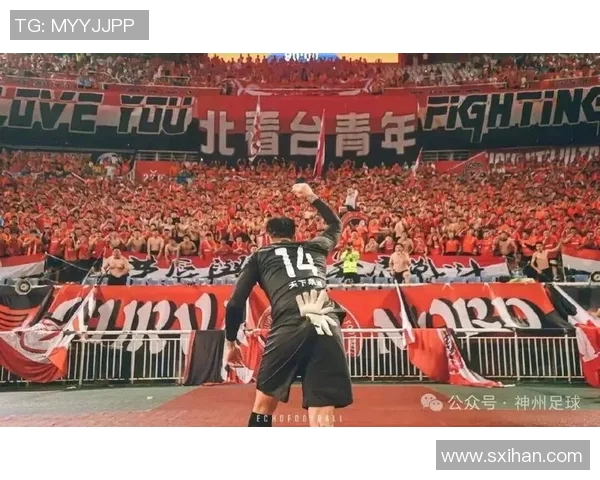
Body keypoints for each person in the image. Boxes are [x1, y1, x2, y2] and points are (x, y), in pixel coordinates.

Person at [224, 182, 353, 427]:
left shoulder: (260, 256)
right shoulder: (316, 246)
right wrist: (312, 196)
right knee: (322, 410)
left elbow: (235, 303)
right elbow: (336, 225)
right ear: (295, 234)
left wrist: (231, 342)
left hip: (289, 323)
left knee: (264, 405)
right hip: (326, 322)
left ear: (268, 235)